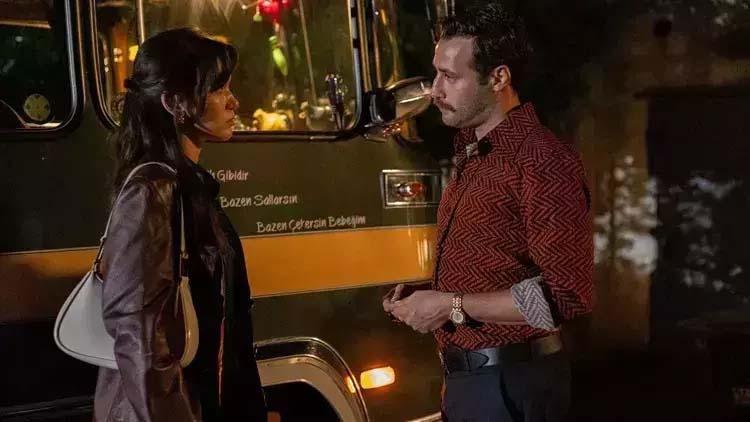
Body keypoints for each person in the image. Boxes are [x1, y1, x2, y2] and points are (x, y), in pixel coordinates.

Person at [383, 3, 594, 421]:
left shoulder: (540, 159)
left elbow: (564, 296)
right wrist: (426, 295)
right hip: (470, 384)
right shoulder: (474, 154)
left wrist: (449, 304)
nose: (435, 91)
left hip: (511, 383)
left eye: (450, 77)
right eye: (436, 74)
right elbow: (497, 268)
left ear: (498, 78)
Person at [94, 28, 267, 421]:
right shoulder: (152, 192)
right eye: (219, 89)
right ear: (176, 103)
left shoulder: (188, 185)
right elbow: (141, 339)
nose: (234, 102)